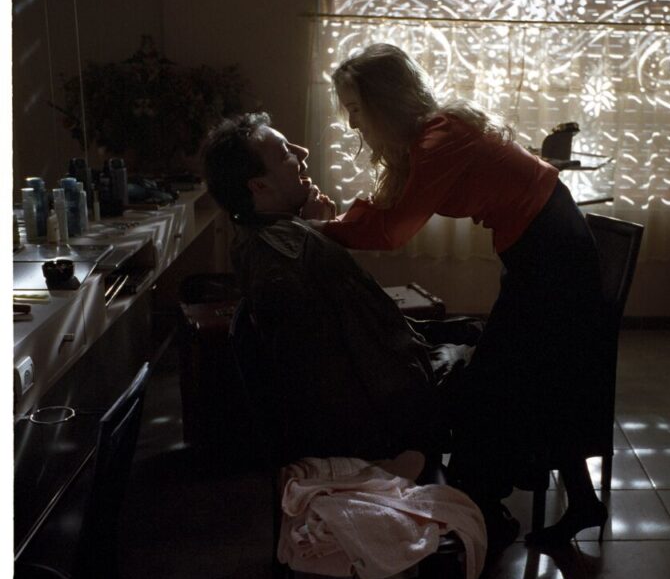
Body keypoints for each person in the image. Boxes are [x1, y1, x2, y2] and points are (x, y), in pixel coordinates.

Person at [301, 43, 608, 547]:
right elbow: (387, 217)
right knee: (528, 376)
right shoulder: (430, 139)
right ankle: (573, 502)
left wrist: (317, 228)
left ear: (383, 101)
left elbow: (393, 230)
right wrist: (329, 226)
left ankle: (485, 508)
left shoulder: (439, 137)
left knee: (497, 377)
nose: (354, 125)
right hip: (542, 245)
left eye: (356, 110)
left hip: (552, 249)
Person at [201, 111, 470, 466]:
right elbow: (331, 384)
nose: (302, 154)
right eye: (285, 153)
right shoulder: (291, 262)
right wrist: (407, 446)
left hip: (391, 390)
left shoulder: (259, 240)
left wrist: (311, 228)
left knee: (480, 335)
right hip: (393, 419)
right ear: (259, 186)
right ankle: (482, 500)